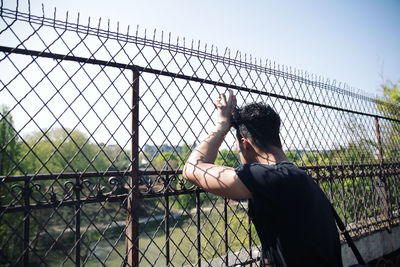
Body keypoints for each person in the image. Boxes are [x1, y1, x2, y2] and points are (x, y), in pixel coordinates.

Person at [183, 90, 343, 267]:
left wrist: (222, 125)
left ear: (246, 144)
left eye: (238, 151)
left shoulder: (268, 177)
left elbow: (192, 169)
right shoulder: (301, 177)